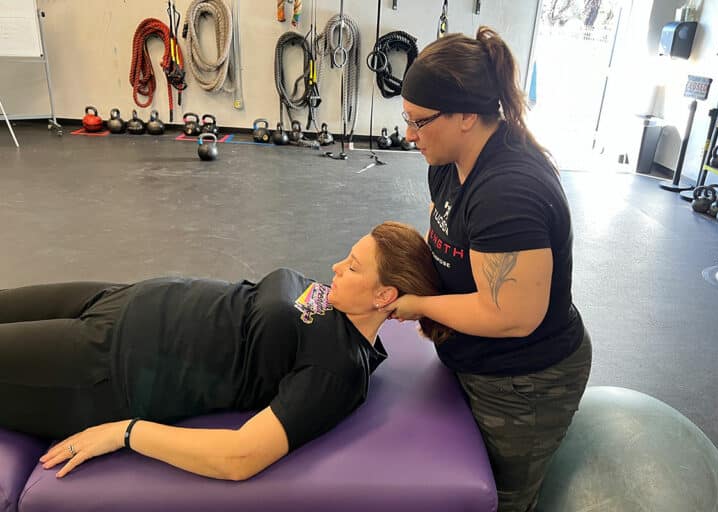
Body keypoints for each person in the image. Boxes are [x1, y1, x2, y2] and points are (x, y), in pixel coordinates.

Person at [0, 221, 449, 480]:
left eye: (352, 267)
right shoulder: (337, 300)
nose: (335, 268)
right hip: (116, 300)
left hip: (106, 364)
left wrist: (125, 432)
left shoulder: (338, 371)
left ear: (384, 297)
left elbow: (241, 456)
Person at [381, 27, 593, 512]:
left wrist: (418, 307)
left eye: (419, 122)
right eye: (405, 119)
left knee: (499, 501)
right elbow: (445, 238)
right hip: (472, 361)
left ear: (465, 116)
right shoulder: (445, 159)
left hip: (525, 384)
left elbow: (511, 316)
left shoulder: (507, 193)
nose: (408, 135)